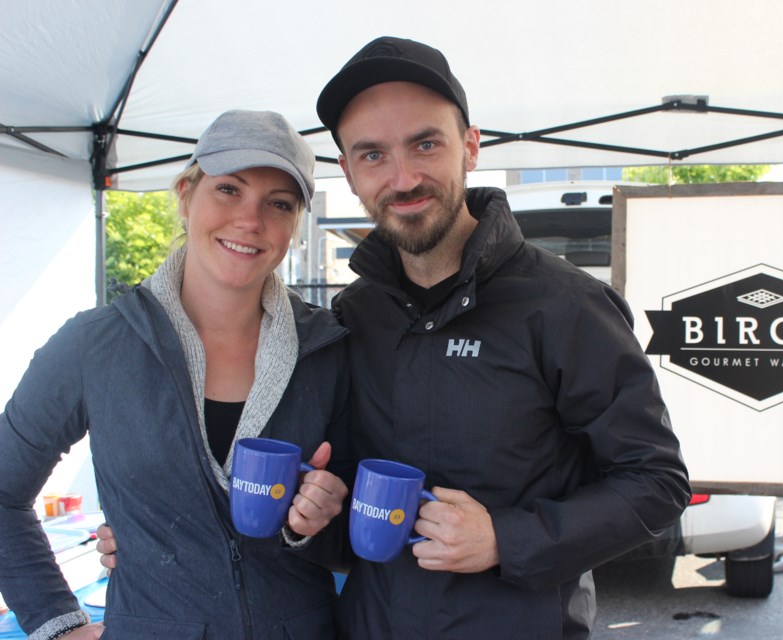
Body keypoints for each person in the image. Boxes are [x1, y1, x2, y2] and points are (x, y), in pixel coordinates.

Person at [316, 36, 692, 638]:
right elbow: (338, 493)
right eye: (373, 155)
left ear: (470, 146)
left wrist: (506, 538)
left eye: (425, 143)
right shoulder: (354, 315)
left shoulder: (566, 306)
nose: (403, 177)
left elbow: (655, 483)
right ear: (348, 173)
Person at [0, 110, 351, 640]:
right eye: (229, 190)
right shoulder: (94, 345)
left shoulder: (329, 348)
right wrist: (59, 624)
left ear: (295, 223)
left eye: (278, 203)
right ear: (186, 195)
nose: (250, 220)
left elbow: (364, 525)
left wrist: (321, 519)